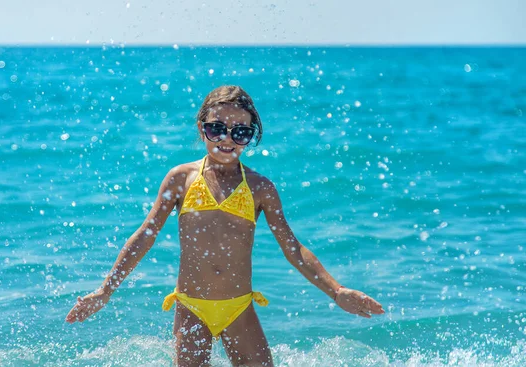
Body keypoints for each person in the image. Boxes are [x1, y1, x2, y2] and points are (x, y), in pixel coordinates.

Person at [65, 85, 385, 366]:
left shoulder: (260, 188)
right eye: (216, 129)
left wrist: (337, 291)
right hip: (191, 308)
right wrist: (105, 291)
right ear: (202, 129)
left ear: (251, 136)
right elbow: (145, 236)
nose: (227, 139)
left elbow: (293, 248)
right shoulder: (181, 179)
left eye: (240, 132)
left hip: (238, 310)